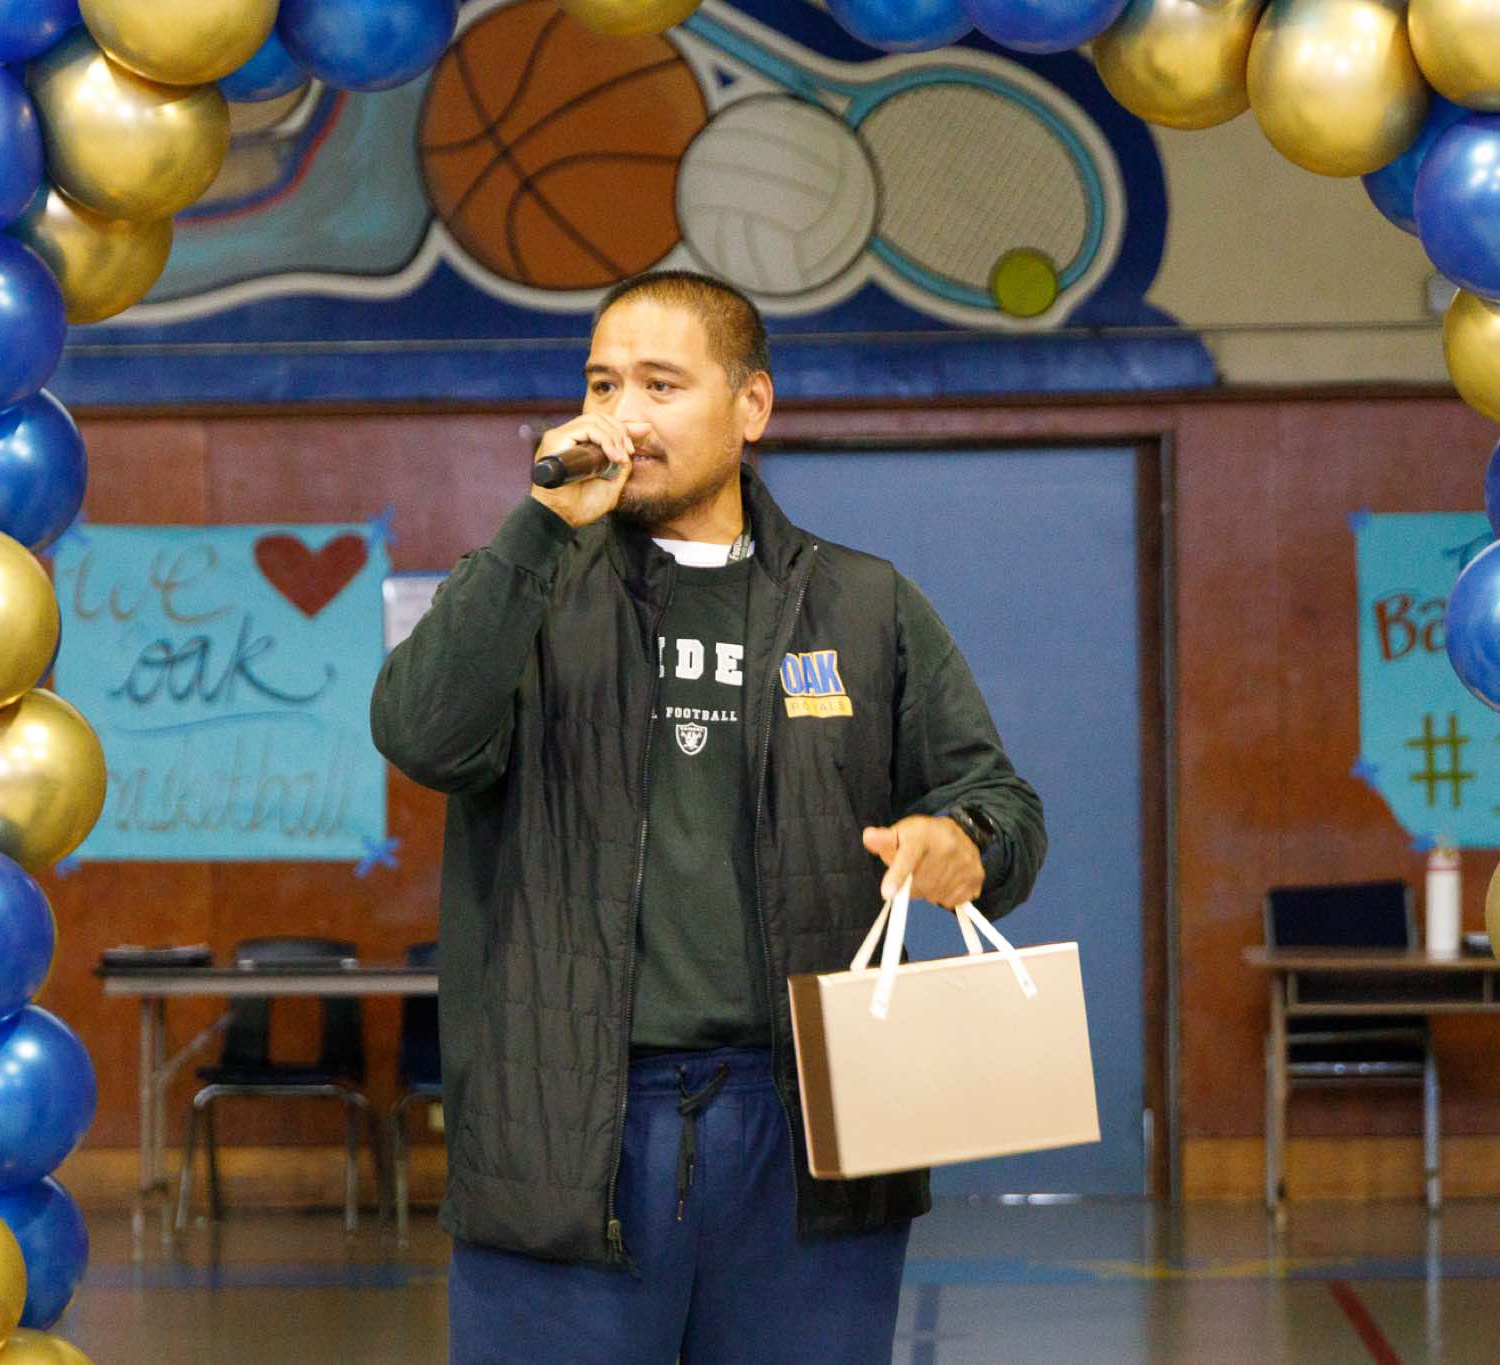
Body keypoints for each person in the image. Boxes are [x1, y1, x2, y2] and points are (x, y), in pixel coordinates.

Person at [370, 271, 1046, 1365]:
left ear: (750, 406)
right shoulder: (526, 591)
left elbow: (1001, 804)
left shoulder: (862, 603)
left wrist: (963, 841)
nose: (622, 416)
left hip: (805, 1133)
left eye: (659, 384)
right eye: (601, 384)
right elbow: (419, 735)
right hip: (565, 1130)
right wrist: (536, 533)